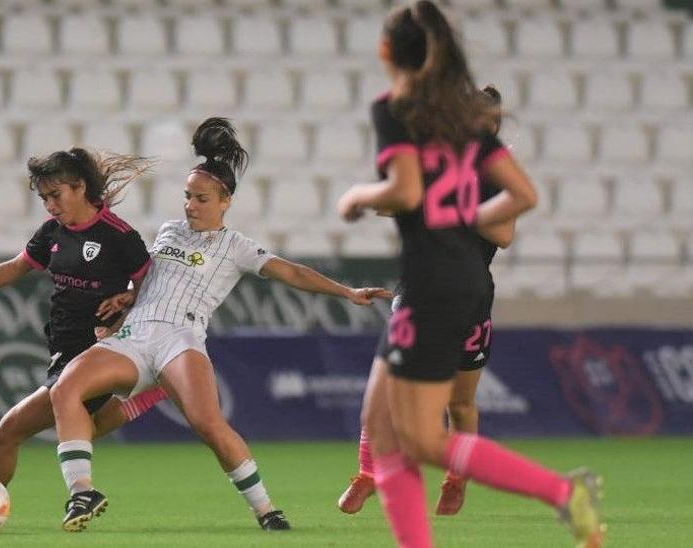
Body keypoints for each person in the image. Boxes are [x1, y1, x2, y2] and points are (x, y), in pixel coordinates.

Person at [334, 3, 602, 547]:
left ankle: (562, 493)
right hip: (463, 283)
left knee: (417, 438)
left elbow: (406, 191)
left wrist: (358, 197)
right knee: (385, 427)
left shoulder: (398, 109)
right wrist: (460, 220)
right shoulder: (466, 126)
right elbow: (524, 196)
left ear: (387, 53)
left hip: (430, 284)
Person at [46, 117, 392, 533]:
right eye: (188, 196)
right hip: (134, 334)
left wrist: (347, 292)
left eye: (202, 198)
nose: (191, 204)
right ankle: (82, 491)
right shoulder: (170, 232)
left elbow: (293, 273)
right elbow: (150, 279)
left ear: (226, 200)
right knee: (66, 387)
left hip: (181, 338)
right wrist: (128, 295)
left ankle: (267, 510)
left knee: (208, 425)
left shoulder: (236, 247)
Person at [0, 149, 162, 508]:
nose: (50, 206)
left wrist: (126, 307)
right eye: (44, 198)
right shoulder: (53, 232)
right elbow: (17, 266)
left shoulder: (119, 235)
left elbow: (151, 288)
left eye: (56, 195)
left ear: (80, 187)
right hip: (63, 349)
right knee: (79, 430)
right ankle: (134, 401)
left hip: (96, 352)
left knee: (9, 431)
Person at [337, 85, 515, 517]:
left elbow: (505, 235)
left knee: (459, 402)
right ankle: (367, 473)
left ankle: (456, 480)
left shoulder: (499, 176)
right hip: (418, 289)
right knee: (383, 393)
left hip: (471, 296)